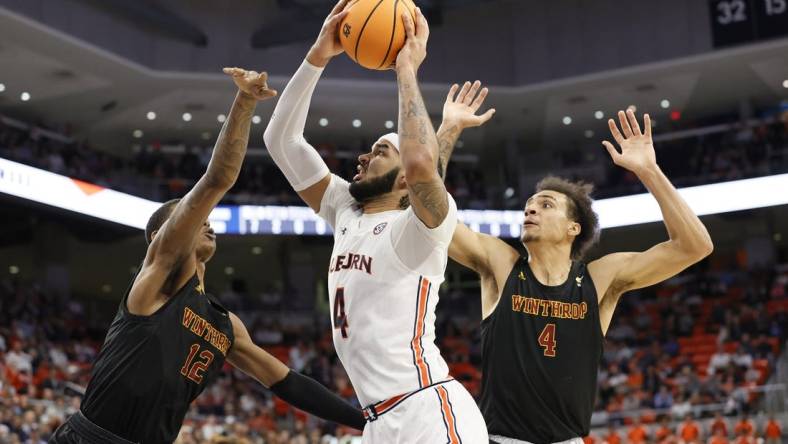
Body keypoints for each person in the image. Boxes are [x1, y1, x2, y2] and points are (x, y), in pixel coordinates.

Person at [51, 67, 365, 443]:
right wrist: (245, 101)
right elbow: (217, 179)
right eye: (193, 218)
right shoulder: (160, 279)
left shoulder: (224, 325)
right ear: (159, 237)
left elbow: (286, 382)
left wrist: (364, 420)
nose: (206, 222)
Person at [263, 2, 494, 442]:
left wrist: (406, 69)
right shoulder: (344, 208)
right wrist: (318, 55)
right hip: (377, 421)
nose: (364, 157)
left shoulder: (420, 232)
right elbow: (280, 140)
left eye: (380, 152)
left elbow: (424, 164)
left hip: (428, 410)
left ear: (404, 177)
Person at [443, 109, 713, 443]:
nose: (530, 209)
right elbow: (433, 217)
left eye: (545, 205)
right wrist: (448, 132)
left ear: (574, 228)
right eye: (529, 204)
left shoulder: (601, 278)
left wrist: (649, 171)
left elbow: (695, 246)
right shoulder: (502, 264)